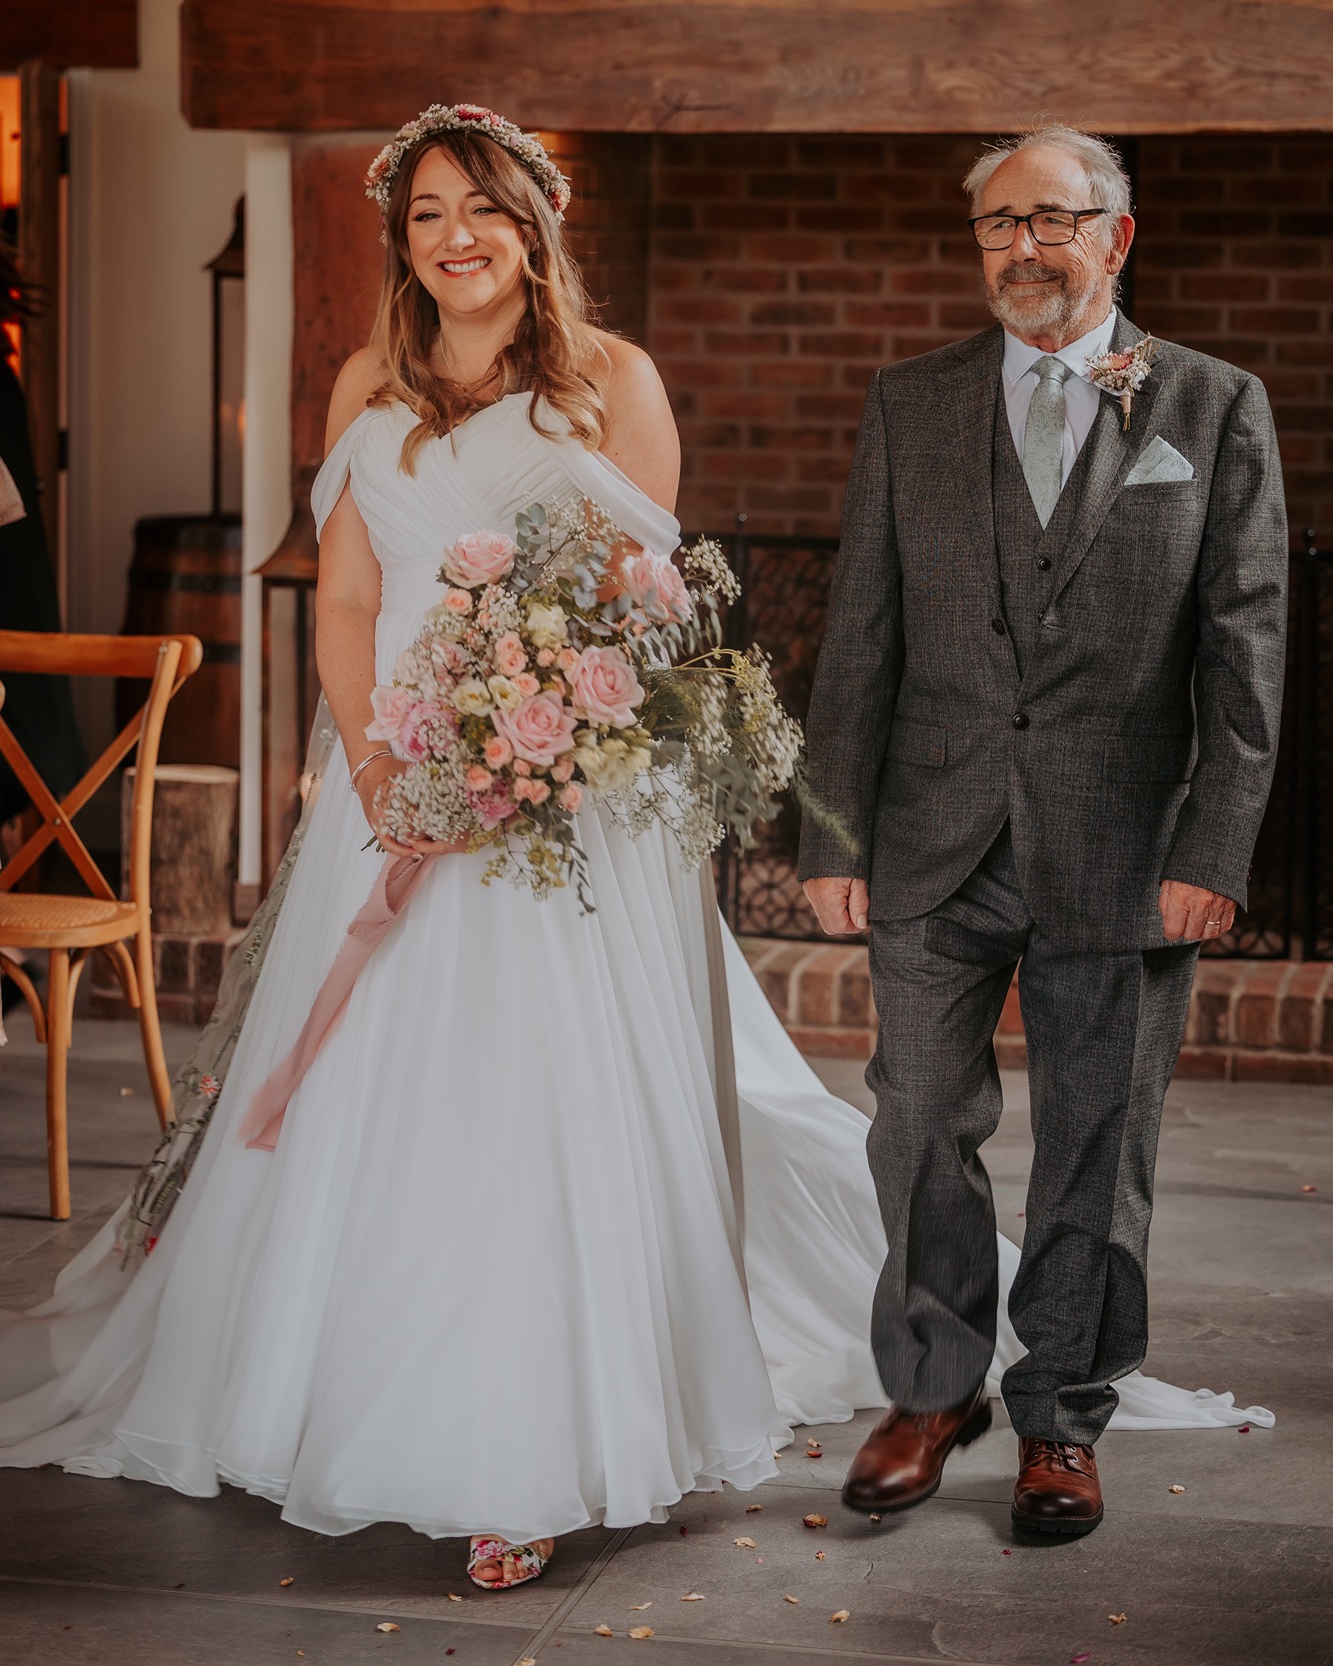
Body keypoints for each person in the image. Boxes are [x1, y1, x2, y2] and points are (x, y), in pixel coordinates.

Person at [0, 110, 1272, 1585]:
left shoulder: (627, 380)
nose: (452, 235)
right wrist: (387, 770)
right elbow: (355, 604)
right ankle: (884, 1392)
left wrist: (528, 729)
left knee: (1040, 1142)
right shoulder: (378, 382)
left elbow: (650, 610)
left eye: (478, 206)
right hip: (421, 791)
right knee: (842, 1121)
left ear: (536, 223)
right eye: (423, 215)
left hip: (588, 799)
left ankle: (1014, 1413)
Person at [798, 123, 1288, 1538]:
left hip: (1124, 848)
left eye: (1051, 220)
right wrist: (829, 840)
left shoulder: (1210, 407)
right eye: (997, 224)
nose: (1023, 246)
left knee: (1096, 1142)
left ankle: (1062, 1416)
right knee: (914, 1129)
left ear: (1112, 237)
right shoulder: (909, 402)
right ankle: (933, 1388)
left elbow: (1243, 654)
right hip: (928, 837)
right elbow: (858, 641)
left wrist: (1214, 849)